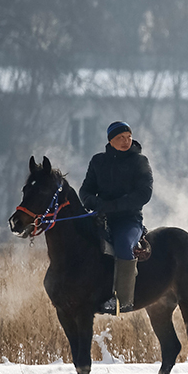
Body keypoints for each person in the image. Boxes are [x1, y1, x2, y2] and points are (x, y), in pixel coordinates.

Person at [79, 121, 153, 313]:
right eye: (120, 137)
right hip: (100, 217)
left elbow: (144, 193)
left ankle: (123, 301)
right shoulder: (98, 161)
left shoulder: (140, 162)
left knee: (123, 245)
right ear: (110, 140)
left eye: (128, 137)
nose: (126, 141)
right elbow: (85, 191)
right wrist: (95, 203)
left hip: (129, 219)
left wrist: (115, 205)